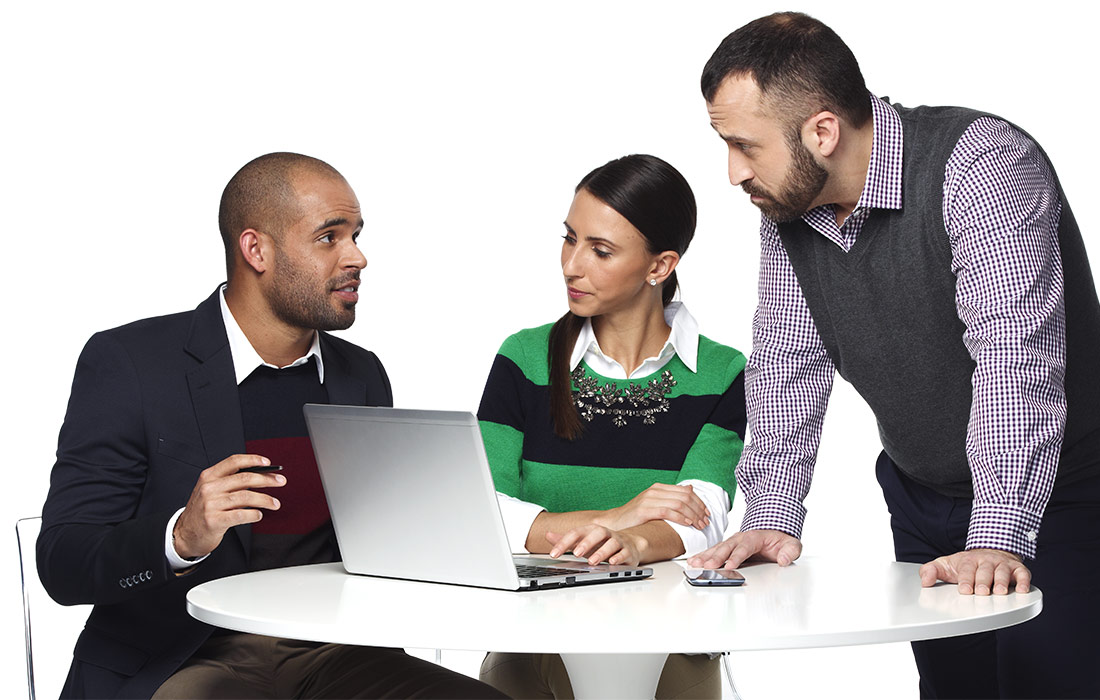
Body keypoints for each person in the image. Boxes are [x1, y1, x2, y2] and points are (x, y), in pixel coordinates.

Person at [689, 11, 1100, 699]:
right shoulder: (791, 211)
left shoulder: (983, 166)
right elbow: (787, 363)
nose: (733, 173)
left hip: (1058, 494)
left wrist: (997, 527)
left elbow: (1014, 358)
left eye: (744, 146)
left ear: (822, 132)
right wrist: (771, 516)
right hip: (923, 499)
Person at [36, 152, 505, 699]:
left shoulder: (362, 375)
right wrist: (181, 537)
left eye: (355, 235)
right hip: (187, 657)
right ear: (256, 249)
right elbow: (64, 563)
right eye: (329, 237)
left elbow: (380, 544)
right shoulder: (131, 363)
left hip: (335, 656)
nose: (358, 256)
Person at [476, 154, 747, 699]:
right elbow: (481, 513)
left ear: (659, 266)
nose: (571, 265)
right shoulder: (523, 360)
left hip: (668, 637)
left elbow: (700, 518)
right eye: (568, 238)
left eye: (600, 250)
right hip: (533, 633)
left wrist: (630, 543)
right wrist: (620, 518)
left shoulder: (722, 374)